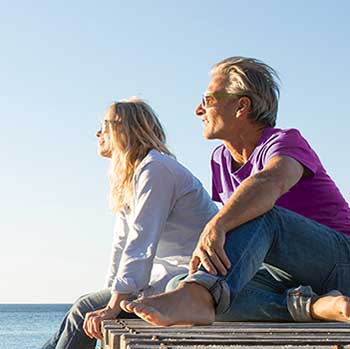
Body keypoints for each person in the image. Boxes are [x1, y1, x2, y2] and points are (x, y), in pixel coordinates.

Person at [121, 57, 350, 326]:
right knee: (181, 284)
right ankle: (315, 306)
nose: (198, 110)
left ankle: (199, 295)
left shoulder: (286, 141)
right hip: (283, 275)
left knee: (260, 213)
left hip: (339, 262)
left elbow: (270, 183)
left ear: (241, 105)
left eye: (207, 100)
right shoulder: (220, 159)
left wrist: (216, 224)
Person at [42, 98, 218, 349]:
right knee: (88, 302)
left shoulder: (156, 169)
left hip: (186, 281)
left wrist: (113, 305)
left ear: (124, 128)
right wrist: (109, 298)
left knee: (84, 308)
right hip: (159, 278)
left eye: (105, 125)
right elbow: (121, 245)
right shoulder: (134, 176)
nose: (98, 133)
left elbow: (141, 242)